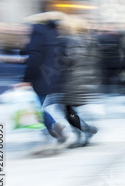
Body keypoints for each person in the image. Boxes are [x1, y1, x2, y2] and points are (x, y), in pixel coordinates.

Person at [42, 17, 100, 147]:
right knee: (67, 108)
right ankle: (86, 130)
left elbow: (69, 60)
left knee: (64, 108)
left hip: (72, 80)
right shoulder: (88, 40)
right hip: (83, 79)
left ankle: (85, 131)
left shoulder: (72, 41)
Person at [20, 11, 69, 144]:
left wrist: (26, 79)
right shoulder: (52, 31)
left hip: (40, 76)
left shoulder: (37, 30)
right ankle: (52, 130)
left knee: (34, 107)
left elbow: (35, 56)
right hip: (51, 74)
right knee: (37, 106)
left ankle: (54, 127)